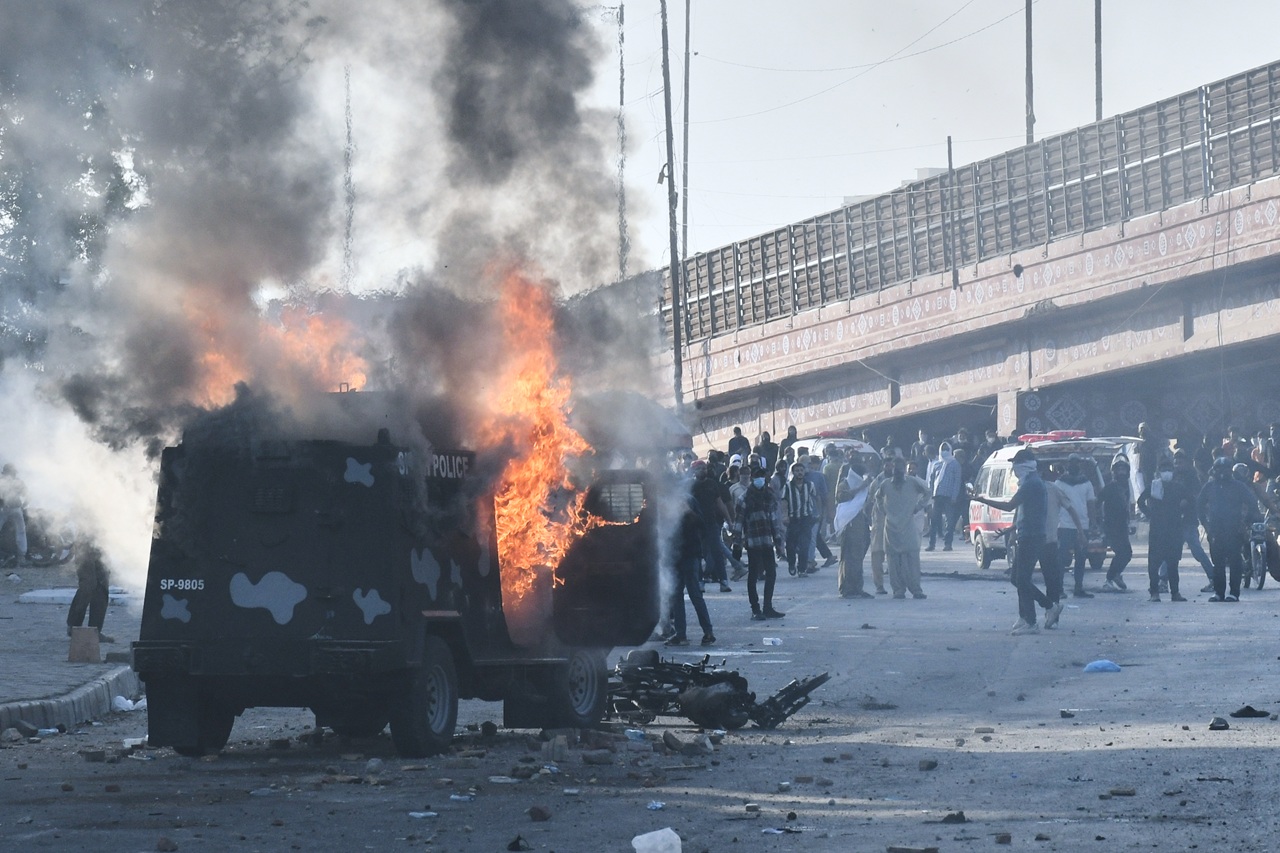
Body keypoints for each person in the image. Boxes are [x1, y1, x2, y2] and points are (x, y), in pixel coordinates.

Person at [969, 448, 1053, 634]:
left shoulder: (1031, 484)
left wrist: (983, 500)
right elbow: (1024, 512)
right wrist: (1011, 529)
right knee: (1017, 578)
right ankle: (1026, 615)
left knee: (1022, 579)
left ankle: (1035, 618)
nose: (1014, 469)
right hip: (1027, 534)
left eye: (1016, 464)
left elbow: (1009, 506)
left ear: (1025, 466)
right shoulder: (1030, 483)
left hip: (1032, 536)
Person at [1197, 456, 1262, 601]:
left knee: (1235, 562)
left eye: (1225, 468)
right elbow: (1199, 505)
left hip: (1234, 529)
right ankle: (1219, 593)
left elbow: (1252, 504)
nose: (1222, 471)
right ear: (1214, 470)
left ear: (1230, 470)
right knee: (1218, 562)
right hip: (1215, 530)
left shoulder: (1239, 486)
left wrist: (1245, 522)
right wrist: (1206, 525)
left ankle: (1234, 593)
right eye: (1218, 468)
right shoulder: (1209, 487)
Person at [731, 466, 786, 621]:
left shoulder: (769, 496)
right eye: (757, 477)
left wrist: (779, 543)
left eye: (762, 476)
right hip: (753, 542)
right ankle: (755, 609)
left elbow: (774, 521)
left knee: (771, 574)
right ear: (752, 478)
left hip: (767, 541)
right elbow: (738, 522)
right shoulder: (744, 498)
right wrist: (737, 543)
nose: (760, 479)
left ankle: (767, 607)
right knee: (753, 575)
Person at [1138, 454, 1193, 602]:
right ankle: (1154, 593)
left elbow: (1191, 501)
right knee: (1154, 564)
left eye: (1169, 469)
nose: (1166, 472)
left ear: (1173, 471)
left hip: (1174, 530)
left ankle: (1175, 593)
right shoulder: (1154, 486)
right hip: (1157, 530)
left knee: (1173, 564)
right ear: (1159, 471)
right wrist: (1150, 514)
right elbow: (1140, 501)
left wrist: (1183, 511)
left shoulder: (1178, 488)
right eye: (1164, 469)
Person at [877, 457, 930, 600]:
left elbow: (928, 492)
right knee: (893, 561)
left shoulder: (912, 482)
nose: (898, 470)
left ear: (904, 469)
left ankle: (916, 590)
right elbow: (877, 497)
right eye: (895, 468)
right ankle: (898, 590)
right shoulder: (885, 484)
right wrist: (883, 510)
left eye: (901, 468)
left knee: (912, 558)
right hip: (891, 527)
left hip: (908, 526)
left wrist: (918, 506)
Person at [665, 495, 716, 646]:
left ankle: (707, 632)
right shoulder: (669, 502)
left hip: (690, 556)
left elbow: (702, 526)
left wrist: (688, 512)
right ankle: (681, 635)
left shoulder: (688, 500)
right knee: (677, 597)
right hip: (677, 557)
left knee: (695, 595)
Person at [1056, 454, 1097, 598]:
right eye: (1072, 463)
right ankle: (1059, 589)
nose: (1074, 465)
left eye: (1076, 463)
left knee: (1080, 559)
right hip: (1065, 525)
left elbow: (1091, 504)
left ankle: (1078, 588)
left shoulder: (1086, 483)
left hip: (1081, 526)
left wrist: (1093, 523)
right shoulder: (1059, 483)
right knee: (1062, 559)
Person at [689, 460, 733, 593]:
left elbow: (719, 503)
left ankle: (723, 581)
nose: (703, 471)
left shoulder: (712, 484)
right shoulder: (690, 486)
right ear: (693, 471)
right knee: (697, 553)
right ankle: (699, 581)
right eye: (699, 469)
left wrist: (729, 520)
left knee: (716, 551)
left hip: (711, 523)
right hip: (695, 524)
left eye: (704, 468)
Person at [833, 458, 873, 598]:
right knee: (848, 558)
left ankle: (857, 587)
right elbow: (841, 497)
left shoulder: (864, 486)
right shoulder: (844, 484)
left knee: (858, 558)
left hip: (861, 525)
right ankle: (846, 587)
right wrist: (860, 487)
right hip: (848, 525)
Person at [67, 542, 113, 643]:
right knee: (88, 585)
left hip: (102, 542)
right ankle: (74, 626)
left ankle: (94, 630)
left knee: (102, 584)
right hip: (86, 542)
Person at [1099, 457, 1134, 592]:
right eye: (1119, 469)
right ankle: (1109, 579)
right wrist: (1098, 523)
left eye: (1123, 469)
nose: (1121, 472)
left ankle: (1116, 574)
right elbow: (1097, 502)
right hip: (1111, 526)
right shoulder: (1110, 488)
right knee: (1122, 552)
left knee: (1127, 553)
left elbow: (1128, 506)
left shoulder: (1126, 487)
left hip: (1122, 526)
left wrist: (1131, 522)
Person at [781, 461, 820, 578]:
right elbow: (784, 502)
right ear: (793, 473)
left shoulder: (810, 485)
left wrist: (818, 513)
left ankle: (802, 569)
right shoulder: (788, 486)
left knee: (804, 545)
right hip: (793, 520)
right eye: (797, 471)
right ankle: (791, 563)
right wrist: (785, 516)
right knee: (790, 545)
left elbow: (816, 498)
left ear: (804, 472)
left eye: (801, 470)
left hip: (806, 519)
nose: (799, 473)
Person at [865, 455, 896, 595]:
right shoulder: (877, 482)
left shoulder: (901, 481)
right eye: (887, 465)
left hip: (896, 522)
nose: (890, 468)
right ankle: (879, 585)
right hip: (879, 521)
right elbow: (870, 501)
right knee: (877, 554)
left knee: (896, 556)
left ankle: (898, 587)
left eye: (892, 466)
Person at [926, 442, 961, 551]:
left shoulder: (955, 464)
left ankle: (948, 544)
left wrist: (954, 496)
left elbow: (957, 481)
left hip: (949, 497)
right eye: (943, 449)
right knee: (934, 521)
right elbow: (931, 481)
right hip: (937, 496)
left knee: (949, 522)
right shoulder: (936, 464)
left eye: (946, 449)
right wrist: (930, 495)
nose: (944, 451)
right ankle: (931, 544)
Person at [0, 464, 28, 565]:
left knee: (21, 531)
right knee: (21, 532)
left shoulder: (2, 480)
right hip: (15, 508)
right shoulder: (18, 482)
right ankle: (21, 556)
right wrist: (24, 505)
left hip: (4, 509)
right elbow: (27, 494)